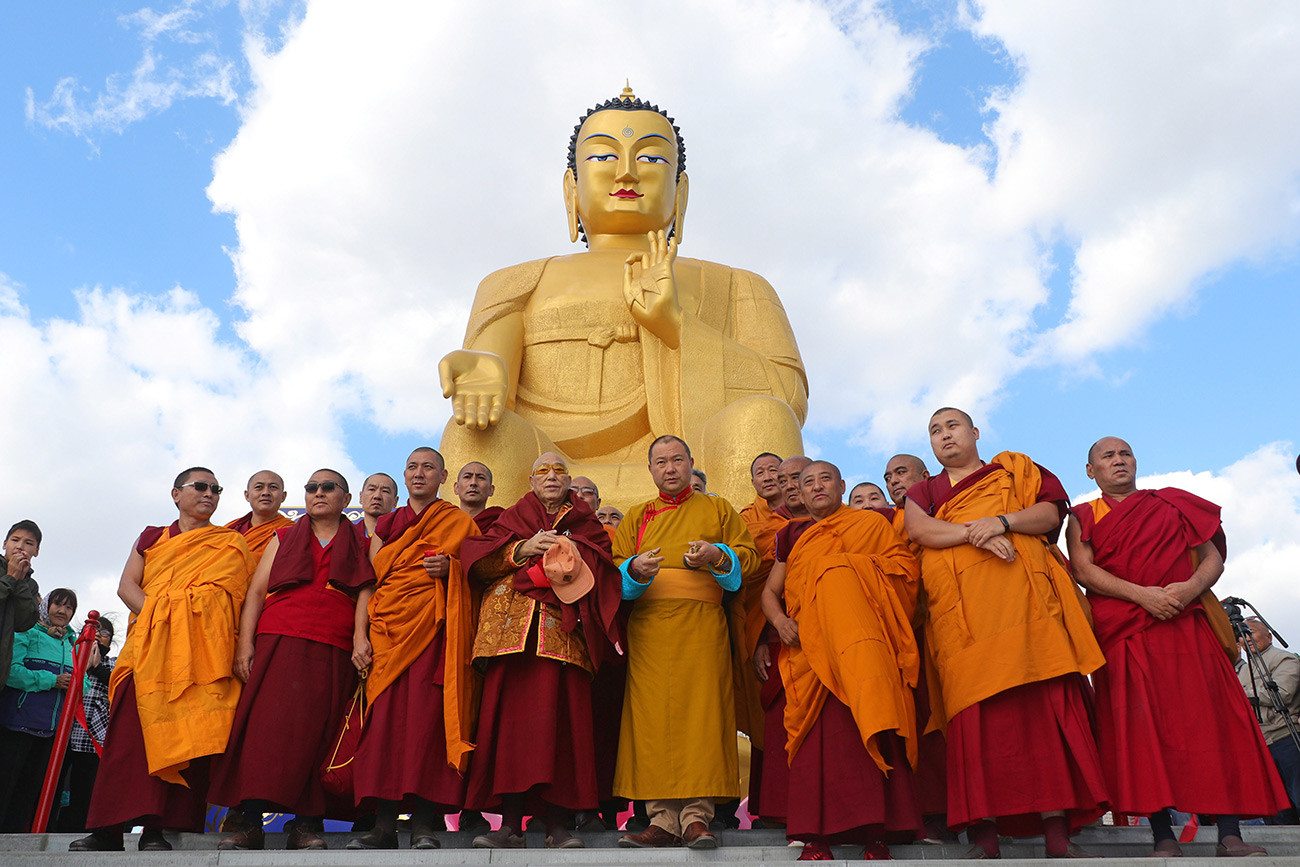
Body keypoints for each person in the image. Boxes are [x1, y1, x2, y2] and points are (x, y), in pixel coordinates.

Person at [438, 86, 808, 509]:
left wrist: (676, 327)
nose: (627, 173)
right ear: (571, 188)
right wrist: (484, 371)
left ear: (680, 190)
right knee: (476, 428)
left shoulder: (737, 284)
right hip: (546, 472)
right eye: (603, 156)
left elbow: (787, 402)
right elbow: (491, 393)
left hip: (691, 471)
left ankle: (746, 559)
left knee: (763, 416)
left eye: (651, 158)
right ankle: (489, 566)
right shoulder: (514, 283)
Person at [1068, 436, 1288, 856]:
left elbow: (1212, 558)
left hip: (1186, 625)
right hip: (1128, 630)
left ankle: (1230, 835)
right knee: (1140, 731)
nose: (1119, 460)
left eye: (1125, 453)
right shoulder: (1081, 516)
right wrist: (1143, 596)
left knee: (1214, 723)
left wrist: (1187, 590)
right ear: (1090, 471)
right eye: (1107, 456)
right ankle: (1163, 837)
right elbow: (1083, 569)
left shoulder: (1172, 504)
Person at [904, 409, 1107, 858]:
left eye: (952, 426)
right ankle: (986, 835)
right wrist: (975, 533)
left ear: (974, 433)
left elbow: (1049, 515)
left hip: (1029, 613)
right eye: (935, 431)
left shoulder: (1014, 471)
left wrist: (1002, 522)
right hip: (964, 625)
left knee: (1042, 722)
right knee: (979, 729)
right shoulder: (926, 491)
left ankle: (1057, 832)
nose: (945, 435)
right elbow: (918, 529)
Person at [71, 468, 254, 852]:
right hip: (149, 649)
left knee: (184, 737)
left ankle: (158, 829)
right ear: (176, 494)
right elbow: (126, 587)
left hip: (199, 657)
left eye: (216, 489)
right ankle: (108, 830)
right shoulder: (152, 536)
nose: (209, 494)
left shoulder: (230, 543)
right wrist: (166, 622)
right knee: (129, 742)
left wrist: (176, 624)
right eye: (200, 487)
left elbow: (228, 598)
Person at [460, 452, 623, 849]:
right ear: (530, 482)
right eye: (543, 472)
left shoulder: (586, 523)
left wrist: (570, 554)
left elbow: (605, 566)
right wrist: (523, 549)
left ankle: (557, 825)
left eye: (559, 471)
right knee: (511, 733)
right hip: (512, 640)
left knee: (562, 732)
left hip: (563, 639)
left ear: (569, 482)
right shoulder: (512, 518)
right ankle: (511, 824)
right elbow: (477, 565)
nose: (551, 477)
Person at [762, 461, 922, 859]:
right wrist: (780, 621)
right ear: (797, 492)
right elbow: (770, 592)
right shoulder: (794, 536)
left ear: (841, 485)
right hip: (811, 651)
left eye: (825, 479)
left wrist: (843, 568)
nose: (817, 487)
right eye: (808, 482)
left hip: (862, 645)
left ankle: (877, 835)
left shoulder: (870, 526)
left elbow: (905, 573)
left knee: (867, 721)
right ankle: (816, 836)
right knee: (817, 740)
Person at [210, 470, 376, 851]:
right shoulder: (282, 536)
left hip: (332, 644)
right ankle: (250, 822)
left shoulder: (363, 540)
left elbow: (367, 589)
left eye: (328, 487)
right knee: (262, 733)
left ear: (345, 496)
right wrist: (244, 646)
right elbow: (256, 592)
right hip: (278, 638)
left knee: (320, 734)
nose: (318, 493)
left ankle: (305, 825)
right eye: (312, 488)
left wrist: (359, 637)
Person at [612, 435, 759, 849]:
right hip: (651, 630)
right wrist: (634, 569)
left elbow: (747, 559)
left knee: (702, 719)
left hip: (702, 627)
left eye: (677, 460)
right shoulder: (637, 515)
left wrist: (717, 555)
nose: (670, 468)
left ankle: (697, 818)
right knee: (652, 723)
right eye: (661, 462)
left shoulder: (716, 508)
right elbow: (614, 575)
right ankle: (661, 819)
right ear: (651, 469)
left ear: (691, 463)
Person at [346, 448, 479, 851]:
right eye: (413, 467)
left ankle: (424, 824)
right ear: (405, 477)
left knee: (427, 726)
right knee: (383, 727)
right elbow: (371, 582)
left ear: (443, 478)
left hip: (433, 631)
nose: (419, 474)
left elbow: (479, 578)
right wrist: (360, 636)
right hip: (387, 632)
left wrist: (451, 570)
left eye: (428, 468)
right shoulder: (387, 525)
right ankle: (384, 826)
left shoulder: (458, 522)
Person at [881, 452, 950, 841]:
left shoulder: (945, 510)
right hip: (902, 630)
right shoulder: (883, 524)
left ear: (926, 476)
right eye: (888, 476)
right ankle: (931, 813)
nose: (893, 481)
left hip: (945, 620)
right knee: (919, 720)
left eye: (901, 472)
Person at [0, 588, 85, 831]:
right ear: (45, 606)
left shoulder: (73, 643)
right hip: (17, 725)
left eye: (69, 607)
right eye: (57, 604)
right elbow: (12, 672)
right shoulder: (26, 632)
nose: (62, 611)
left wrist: (75, 684)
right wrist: (52, 680)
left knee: (29, 795)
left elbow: (85, 683)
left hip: (52, 733)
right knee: (5, 788)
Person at [1238, 618, 1300, 823]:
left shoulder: (1285, 659)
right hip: (1260, 746)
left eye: (1251, 632)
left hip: (1286, 738)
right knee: (1278, 811)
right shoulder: (1244, 670)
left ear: (1269, 636)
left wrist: (1241, 694)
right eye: (1242, 635)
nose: (1247, 639)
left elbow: (1282, 694)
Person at [59, 616, 115, 833]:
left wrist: (97, 667)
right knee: (55, 786)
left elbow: (118, 686)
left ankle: (81, 832)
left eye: (105, 633)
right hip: (63, 732)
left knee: (85, 790)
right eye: (95, 631)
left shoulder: (115, 662)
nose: (99, 635)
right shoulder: (72, 656)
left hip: (94, 737)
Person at [1, 521, 42, 686]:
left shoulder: (30, 585)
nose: (20, 546)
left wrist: (21, 581)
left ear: (36, 551)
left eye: (28, 543)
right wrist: (10, 577)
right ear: (5, 544)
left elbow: (24, 623)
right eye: (15, 540)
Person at [225, 471, 293, 561]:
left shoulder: (291, 531)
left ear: (283, 496)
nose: (265, 493)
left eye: (273, 487)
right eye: (259, 487)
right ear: (247, 495)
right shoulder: (230, 529)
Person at [455, 462, 503, 533]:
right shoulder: (446, 523)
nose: (473, 483)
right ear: (456, 488)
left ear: (491, 490)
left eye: (481, 478)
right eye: (467, 477)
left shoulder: (501, 523)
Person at [357, 473, 399, 538]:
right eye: (372, 489)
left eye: (385, 491)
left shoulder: (401, 536)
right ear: (361, 497)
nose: (377, 496)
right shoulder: (348, 535)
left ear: (395, 501)